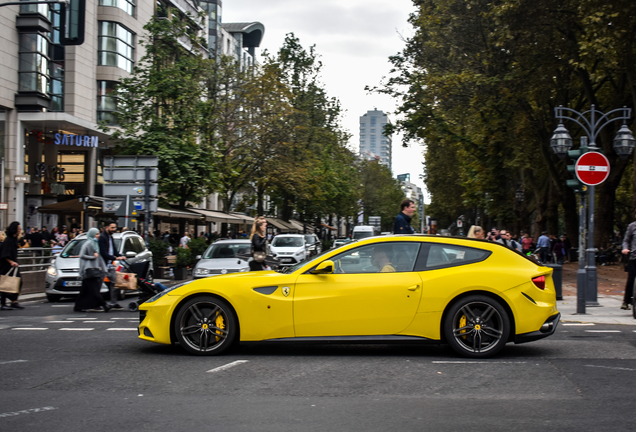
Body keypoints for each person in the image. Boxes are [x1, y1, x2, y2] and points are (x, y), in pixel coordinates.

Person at [75, 228, 110, 312]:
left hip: (94, 269)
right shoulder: (87, 244)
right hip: (88, 270)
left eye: (98, 233)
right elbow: (82, 255)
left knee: (85, 290)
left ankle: (78, 306)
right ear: (92, 235)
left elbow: (99, 258)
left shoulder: (95, 244)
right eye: (97, 234)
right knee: (94, 290)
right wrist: (92, 257)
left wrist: (103, 268)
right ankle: (104, 304)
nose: (99, 235)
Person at [98, 222, 126, 309]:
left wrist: (120, 256)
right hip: (102, 265)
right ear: (107, 227)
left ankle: (113, 303)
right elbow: (103, 253)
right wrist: (115, 258)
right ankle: (97, 304)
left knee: (116, 283)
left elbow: (114, 250)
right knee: (98, 285)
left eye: (114, 228)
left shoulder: (111, 237)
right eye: (112, 228)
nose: (114, 230)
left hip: (110, 265)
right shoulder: (102, 238)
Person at [0, 222, 25, 310]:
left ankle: (14, 300)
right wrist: (11, 262)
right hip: (7, 265)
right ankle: (4, 303)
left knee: (18, 281)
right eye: (19, 229)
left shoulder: (14, 239)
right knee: (5, 283)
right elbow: (4, 254)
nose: (20, 230)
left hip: (12, 264)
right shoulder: (8, 240)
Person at [621, 217, 636, 310]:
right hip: (634, 256)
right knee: (631, 279)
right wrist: (625, 249)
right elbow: (626, 240)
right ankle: (626, 301)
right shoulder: (632, 226)